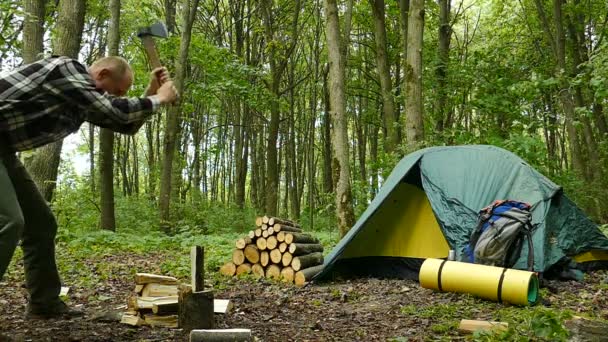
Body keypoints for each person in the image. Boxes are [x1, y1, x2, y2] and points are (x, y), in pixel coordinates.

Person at [0, 55, 178, 319]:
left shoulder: (80, 101)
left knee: (41, 224)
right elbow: (115, 109)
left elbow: (125, 123)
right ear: (103, 74)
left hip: (4, 150)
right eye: (117, 91)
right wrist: (160, 98)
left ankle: (44, 305)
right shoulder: (66, 69)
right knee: (9, 220)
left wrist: (151, 92)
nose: (116, 96)